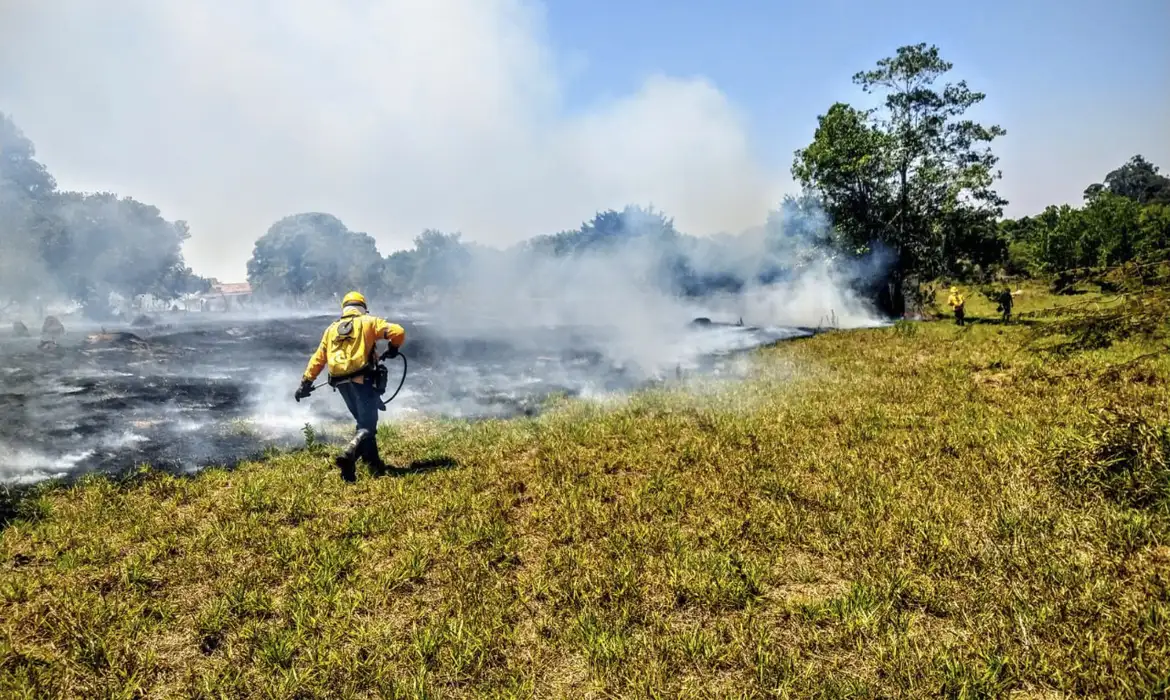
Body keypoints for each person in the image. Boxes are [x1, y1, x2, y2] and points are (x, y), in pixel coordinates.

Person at [295, 291, 406, 482]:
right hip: (362, 379)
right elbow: (398, 332)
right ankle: (348, 453)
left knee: (363, 422)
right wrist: (393, 349)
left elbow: (318, 359)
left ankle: (372, 464)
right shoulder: (368, 321)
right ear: (363, 308)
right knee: (368, 425)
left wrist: (306, 383)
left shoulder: (332, 329)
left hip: (340, 382)